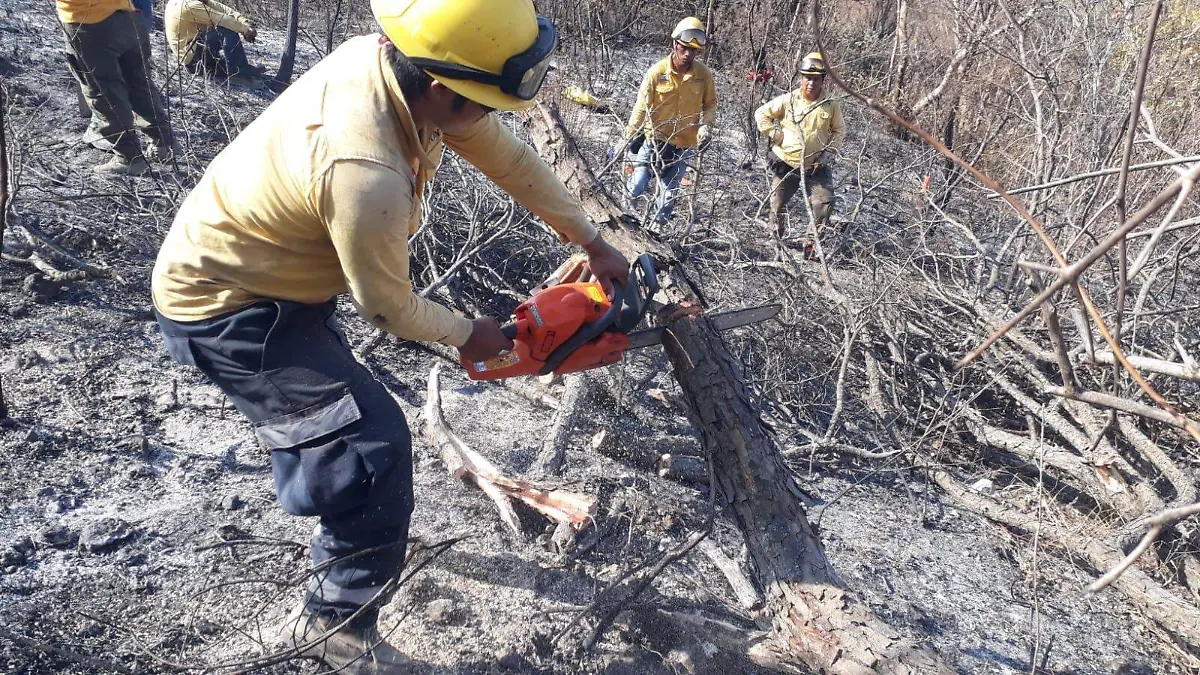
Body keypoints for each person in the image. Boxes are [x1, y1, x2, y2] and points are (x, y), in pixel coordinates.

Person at [150, 0, 628, 671]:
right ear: (443, 89)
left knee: (339, 425)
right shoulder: (363, 168)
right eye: (481, 102)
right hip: (228, 307)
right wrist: (472, 333)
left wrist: (589, 237)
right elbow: (386, 306)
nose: (487, 118)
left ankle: (338, 516)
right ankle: (334, 628)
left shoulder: (390, 67)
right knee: (370, 447)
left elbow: (506, 156)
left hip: (282, 282)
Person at [56, 0, 180, 175]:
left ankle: (129, 157)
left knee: (104, 91)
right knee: (139, 84)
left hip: (88, 21)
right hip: (128, 16)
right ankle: (165, 143)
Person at [616, 17, 717, 227]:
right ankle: (623, 220)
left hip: (685, 144)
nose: (688, 54)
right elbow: (641, 107)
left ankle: (656, 230)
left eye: (693, 50)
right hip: (656, 140)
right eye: (684, 48)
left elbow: (710, 104)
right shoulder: (656, 73)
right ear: (675, 44)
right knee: (637, 184)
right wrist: (626, 138)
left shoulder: (703, 76)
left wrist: (706, 125)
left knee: (668, 195)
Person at [754, 52, 846, 240]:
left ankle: (811, 243)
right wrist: (775, 134)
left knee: (825, 202)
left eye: (816, 79)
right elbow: (761, 114)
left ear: (823, 80)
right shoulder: (789, 100)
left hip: (816, 165)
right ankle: (777, 240)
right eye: (808, 78)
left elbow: (839, 131)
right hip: (787, 162)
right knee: (776, 205)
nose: (811, 83)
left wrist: (828, 152)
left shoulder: (830, 105)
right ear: (802, 78)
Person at [165, 0, 264, 88]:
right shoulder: (189, 5)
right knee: (227, 30)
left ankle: (242, 69)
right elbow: (223, 19)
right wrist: (245, 30)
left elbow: (222, 9)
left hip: (195, 53)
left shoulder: (191, 2)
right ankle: (239, 76)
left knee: (219, 31)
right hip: (193, 60)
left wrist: (244, 21)